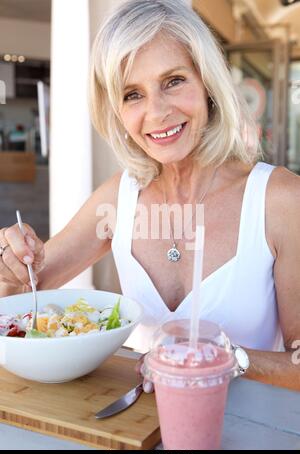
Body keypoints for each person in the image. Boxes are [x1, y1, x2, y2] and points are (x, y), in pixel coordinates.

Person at [0, 0, 300, 392]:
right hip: (138, 431)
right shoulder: (119, 197)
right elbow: (25, 292)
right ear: (117, 111)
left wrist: (228, 358)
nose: (156, 112)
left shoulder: (280, 200)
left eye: (173, 81)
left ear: (207, 83)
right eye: (132, 95)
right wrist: (11, 265)